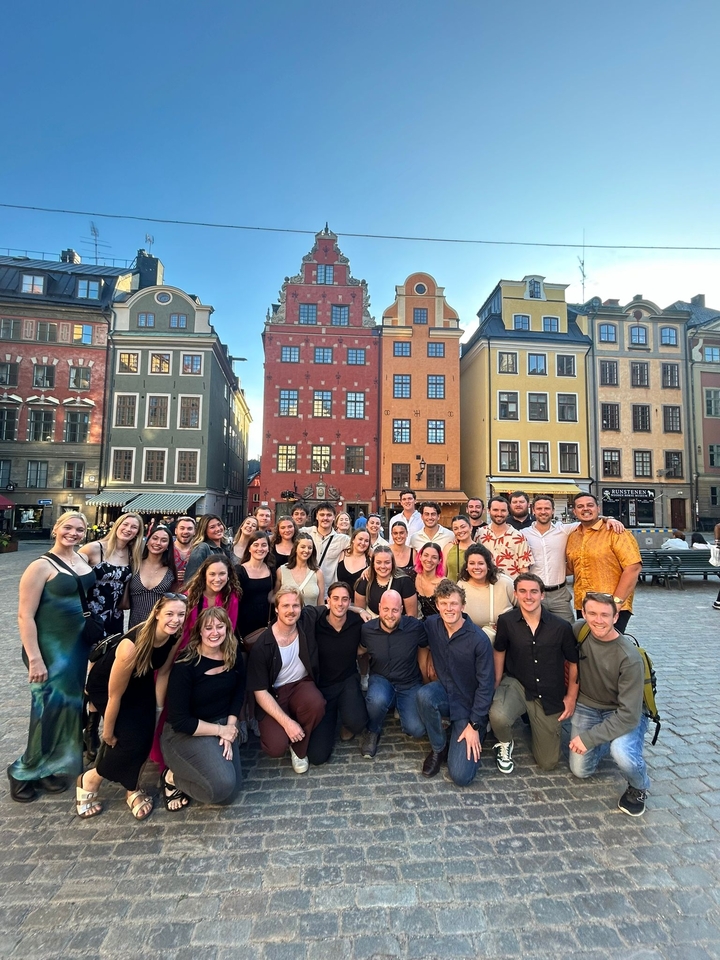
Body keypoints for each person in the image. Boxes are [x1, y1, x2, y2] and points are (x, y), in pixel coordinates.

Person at [8, 512, 94, 803]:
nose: (73, 533)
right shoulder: (40, 565)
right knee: (45, 710)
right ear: (56, 529)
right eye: (68, 527)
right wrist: (34, 658)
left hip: (77, 648)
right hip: (50, 649)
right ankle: (23, 771)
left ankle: (50, 767)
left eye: (79, 529)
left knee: (68, 709)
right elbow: (24, 615)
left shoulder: (82, 560)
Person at [79, 593, 187, 819]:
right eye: (169, 613)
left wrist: (157, 710)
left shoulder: (174, 634)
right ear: (157, 613)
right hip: (106, 686)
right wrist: (107, 732)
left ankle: (132, 788)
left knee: (146, 735)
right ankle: (90, 780)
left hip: (141, 678)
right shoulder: (131, 646)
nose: (175, 619)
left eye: (180, 614)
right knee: (128, 740)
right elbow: (114, 695)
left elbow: (164, 672)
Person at [149, 554, 242, 768]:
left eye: (222, 574)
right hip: (183, 653)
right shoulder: (189, 596)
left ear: (229, 576)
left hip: (211, 653)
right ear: (204, 574)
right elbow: (179, 631)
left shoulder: (231, 598)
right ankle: (165, 754)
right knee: (172, 703)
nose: (217, 579)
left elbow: (228, 630)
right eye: (212, 574)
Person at [569, 592, 651, 817]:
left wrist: (589, 738)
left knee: (622, 753)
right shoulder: (580, 630)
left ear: (616, 617)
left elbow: (628, 715)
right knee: (580, 770)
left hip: (623, 711)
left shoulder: (629, 657)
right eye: (592, 613)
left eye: (605, 615)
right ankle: (606, 740)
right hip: (588, 705)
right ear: (583, 613)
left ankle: (639, 786)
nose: (598, 620)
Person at [489, 574, 578, 775]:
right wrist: (496, 682)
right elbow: (500, 650)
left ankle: (537, 726)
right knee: (498, 715)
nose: (528, 597)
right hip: (517, 684)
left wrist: (571, 697)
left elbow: (574, 662)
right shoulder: (507, 621)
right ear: (515, 594)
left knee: (548, 763)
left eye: (533, 592)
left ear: (542, 595)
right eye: (523, 591)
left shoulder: (561, 627)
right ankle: (505, 742)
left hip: (548, 692)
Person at [162, 607, 243, 809]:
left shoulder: (233, 654)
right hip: (187, 732)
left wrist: (230, 730)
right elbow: (180, 720)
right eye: (208, 628)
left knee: (231, 792)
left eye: (219, 626)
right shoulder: (186, 665)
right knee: (223, 786)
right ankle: (172, 777)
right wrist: (220, 730)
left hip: (223, 724)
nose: (214, 632)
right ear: (199, 631)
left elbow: (238, 694)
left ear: (227, 628)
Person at [416, 580, 494, 784]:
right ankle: (438, 748)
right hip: (445, 693)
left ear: (462, 606)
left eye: (453, 603)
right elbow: (413, 634)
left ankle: (479, 732)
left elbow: (486, 686)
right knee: (424, 695)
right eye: (443, 603)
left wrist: (474, 724)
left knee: (461, 776)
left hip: (469, 707)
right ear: (437, 605)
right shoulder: (432, 624)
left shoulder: (478, 640)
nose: (448, 608)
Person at [247, 586, 326, 774]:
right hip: (273, 694)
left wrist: (359, 609)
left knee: (317, 703)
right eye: (286, 606)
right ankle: (290, 727)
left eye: (296, 606)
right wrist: (287, 723)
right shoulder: (263, 645)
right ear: (276, 609)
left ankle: (298, 749)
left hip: (300, 685)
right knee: (275, 747)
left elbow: (333, 606)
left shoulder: (306, 620)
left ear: (301, 607)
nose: (291, 610)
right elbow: (259, 692)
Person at [357, 590, 428, 758]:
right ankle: (373, 729)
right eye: (386, 609)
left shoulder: (415, 627)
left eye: (395, 610)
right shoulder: (367, 630)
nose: (390, 615)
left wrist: (427, 675)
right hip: (381, 679)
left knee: (417, 730)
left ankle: (400, 706)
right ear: (379, 608)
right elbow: (360, 651)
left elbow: (425, 647)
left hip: (409, 682)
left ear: (402, 609)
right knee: (376, 700)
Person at [305, 582, 369, 764]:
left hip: (348, 680)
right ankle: (331, 719)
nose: (340, 604)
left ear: (350, 602)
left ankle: (347, 721)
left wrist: (359, 611)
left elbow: (366, 644)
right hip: (323, 687)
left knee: (357, 722)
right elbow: (303, 613)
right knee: (317, 757)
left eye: (344, 599)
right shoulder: (316, 623)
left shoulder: (356, 623)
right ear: (328, 601)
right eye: (335, 599)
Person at [566, 494, 642, 632]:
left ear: (598, 508)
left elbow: (633, 567)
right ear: (575, 512)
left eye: (590, 505)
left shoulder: (615, 532)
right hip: (584, 604)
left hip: (610, 604)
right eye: (580, 506)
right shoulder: (573, 536)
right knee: (588, 647)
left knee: (609, 648)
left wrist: (617, 602)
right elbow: (571, 568)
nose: (585, 509)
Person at [79, 512, 144, 636]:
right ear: (117, 526)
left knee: (109, 653)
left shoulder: (133, 555)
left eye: (134, 527)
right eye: (125, 524)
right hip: (90, 615)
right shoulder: (93, 549)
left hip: (115, 616)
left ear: (137, 533)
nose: (128, 529)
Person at [457, 544, 515, 645]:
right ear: (466, 566)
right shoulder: (461, 585)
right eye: (472, 563)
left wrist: (507, 624)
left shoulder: (504, 583)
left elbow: (523, 606)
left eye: (480, 563)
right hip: (471, 642)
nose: (476, 567)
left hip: (503, 640)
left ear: (488, 566)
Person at [128, 525, 178, 628]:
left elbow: (174, 601)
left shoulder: (171, 571)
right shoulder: (134, 565)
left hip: (160, 629)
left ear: (168, 545)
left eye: (164, 540)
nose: (158, 543)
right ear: (147, 541)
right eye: (154, 538)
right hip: (134, 628)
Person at [355, 545, 418, 618]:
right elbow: (359, 613)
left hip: (399, 625)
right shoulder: (365, 580)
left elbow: (412, 616)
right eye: (378, 562)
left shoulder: (404, 582)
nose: (383, 566)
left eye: (387, 562)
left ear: (392, 563)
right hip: (372, 625)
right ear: (373, 564)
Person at [477, 497, 533, 578]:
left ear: (508, 512)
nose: (499, 514)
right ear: (489, 510)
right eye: (495, 510)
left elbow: (524, 568)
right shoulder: (480, 533)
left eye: (503, 510)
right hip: (485, 585)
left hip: (510, 586)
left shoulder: (518, 537)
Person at [302, 502, 350, 586]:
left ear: (334, 517)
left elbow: (363, 547)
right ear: (317, 516)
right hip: (306, 587)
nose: (325, 518)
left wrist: (368, 568)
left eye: (329, 515)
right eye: (322, 515)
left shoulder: (342, 539)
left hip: (328, 590)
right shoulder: (305, 532)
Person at [236, 532, 274, 636]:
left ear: (268, 548)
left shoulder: (271, 570)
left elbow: (272, 596)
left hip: (266, 621)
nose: (260, 548)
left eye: (264, 545)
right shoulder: (239, 571)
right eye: (256, 545)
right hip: (243, 622)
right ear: (249, 548)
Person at [275, 533, 325, 607]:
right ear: (295, 548)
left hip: (311, 617)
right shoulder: (281, 571)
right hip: (288, 616)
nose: (306, 550)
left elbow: (321, 603)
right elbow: (275, 598)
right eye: (303, 547)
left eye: (310, 548)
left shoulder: (318, 573)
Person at [184, 515, 232, 583]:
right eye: (212, 527)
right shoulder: (201, 548)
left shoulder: (226, 547)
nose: (218, 529)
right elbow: (191, 580)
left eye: (219, 524)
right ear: (204, 530)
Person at [413, 543, 445, 620]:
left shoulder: (444, 585)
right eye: (426, 555)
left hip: (437, 627)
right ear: (420, 557)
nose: (429, 560)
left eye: (434, 557)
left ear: (439, 561)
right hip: (416, 625)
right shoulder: (411, 575)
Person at [336, 527, 371, 593]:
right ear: (353, 540)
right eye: (360, 539)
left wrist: (371, 567)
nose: (363, 543)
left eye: (366, 541)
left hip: (360, 601)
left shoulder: (370, 561)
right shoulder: (342, 554)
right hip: (340, 600)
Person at [443, 514, 475, 582]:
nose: (460, 531)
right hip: (451, 590)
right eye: (456, 529)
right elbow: (443, 573)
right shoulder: (449, 547)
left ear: (470, 527)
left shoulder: (479, 549)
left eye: (463, 527)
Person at [172, 516, 197, 585]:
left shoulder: (199, 551)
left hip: (192, 593)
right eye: (182, 528)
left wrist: (191, 575)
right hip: (168, 593)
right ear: (176, 531)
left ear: (195, 532)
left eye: (189, 529)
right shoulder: (167, 548)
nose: (185, 531)